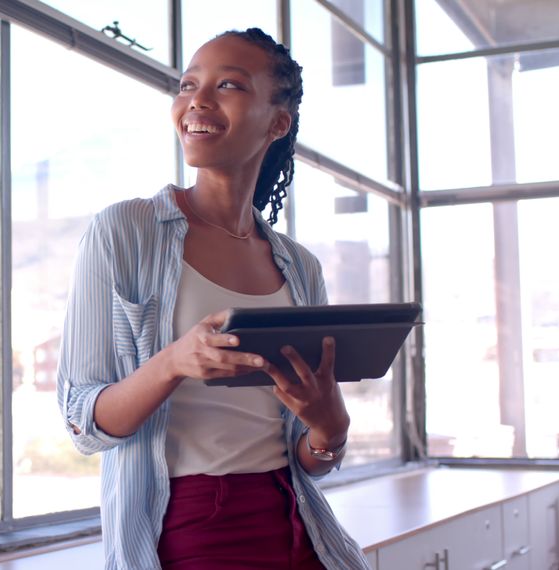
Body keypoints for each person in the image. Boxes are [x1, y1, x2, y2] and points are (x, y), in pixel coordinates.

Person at [56, 28, 370, 569]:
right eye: (187, 85)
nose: (196, 100)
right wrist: (175, 361)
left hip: (297, 519)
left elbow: (307, 457)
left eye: (228, 85)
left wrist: (330, 430)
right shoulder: (125, 232)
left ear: (278, 122)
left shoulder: (300, 267)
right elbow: (82, 421)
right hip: (189, 525)